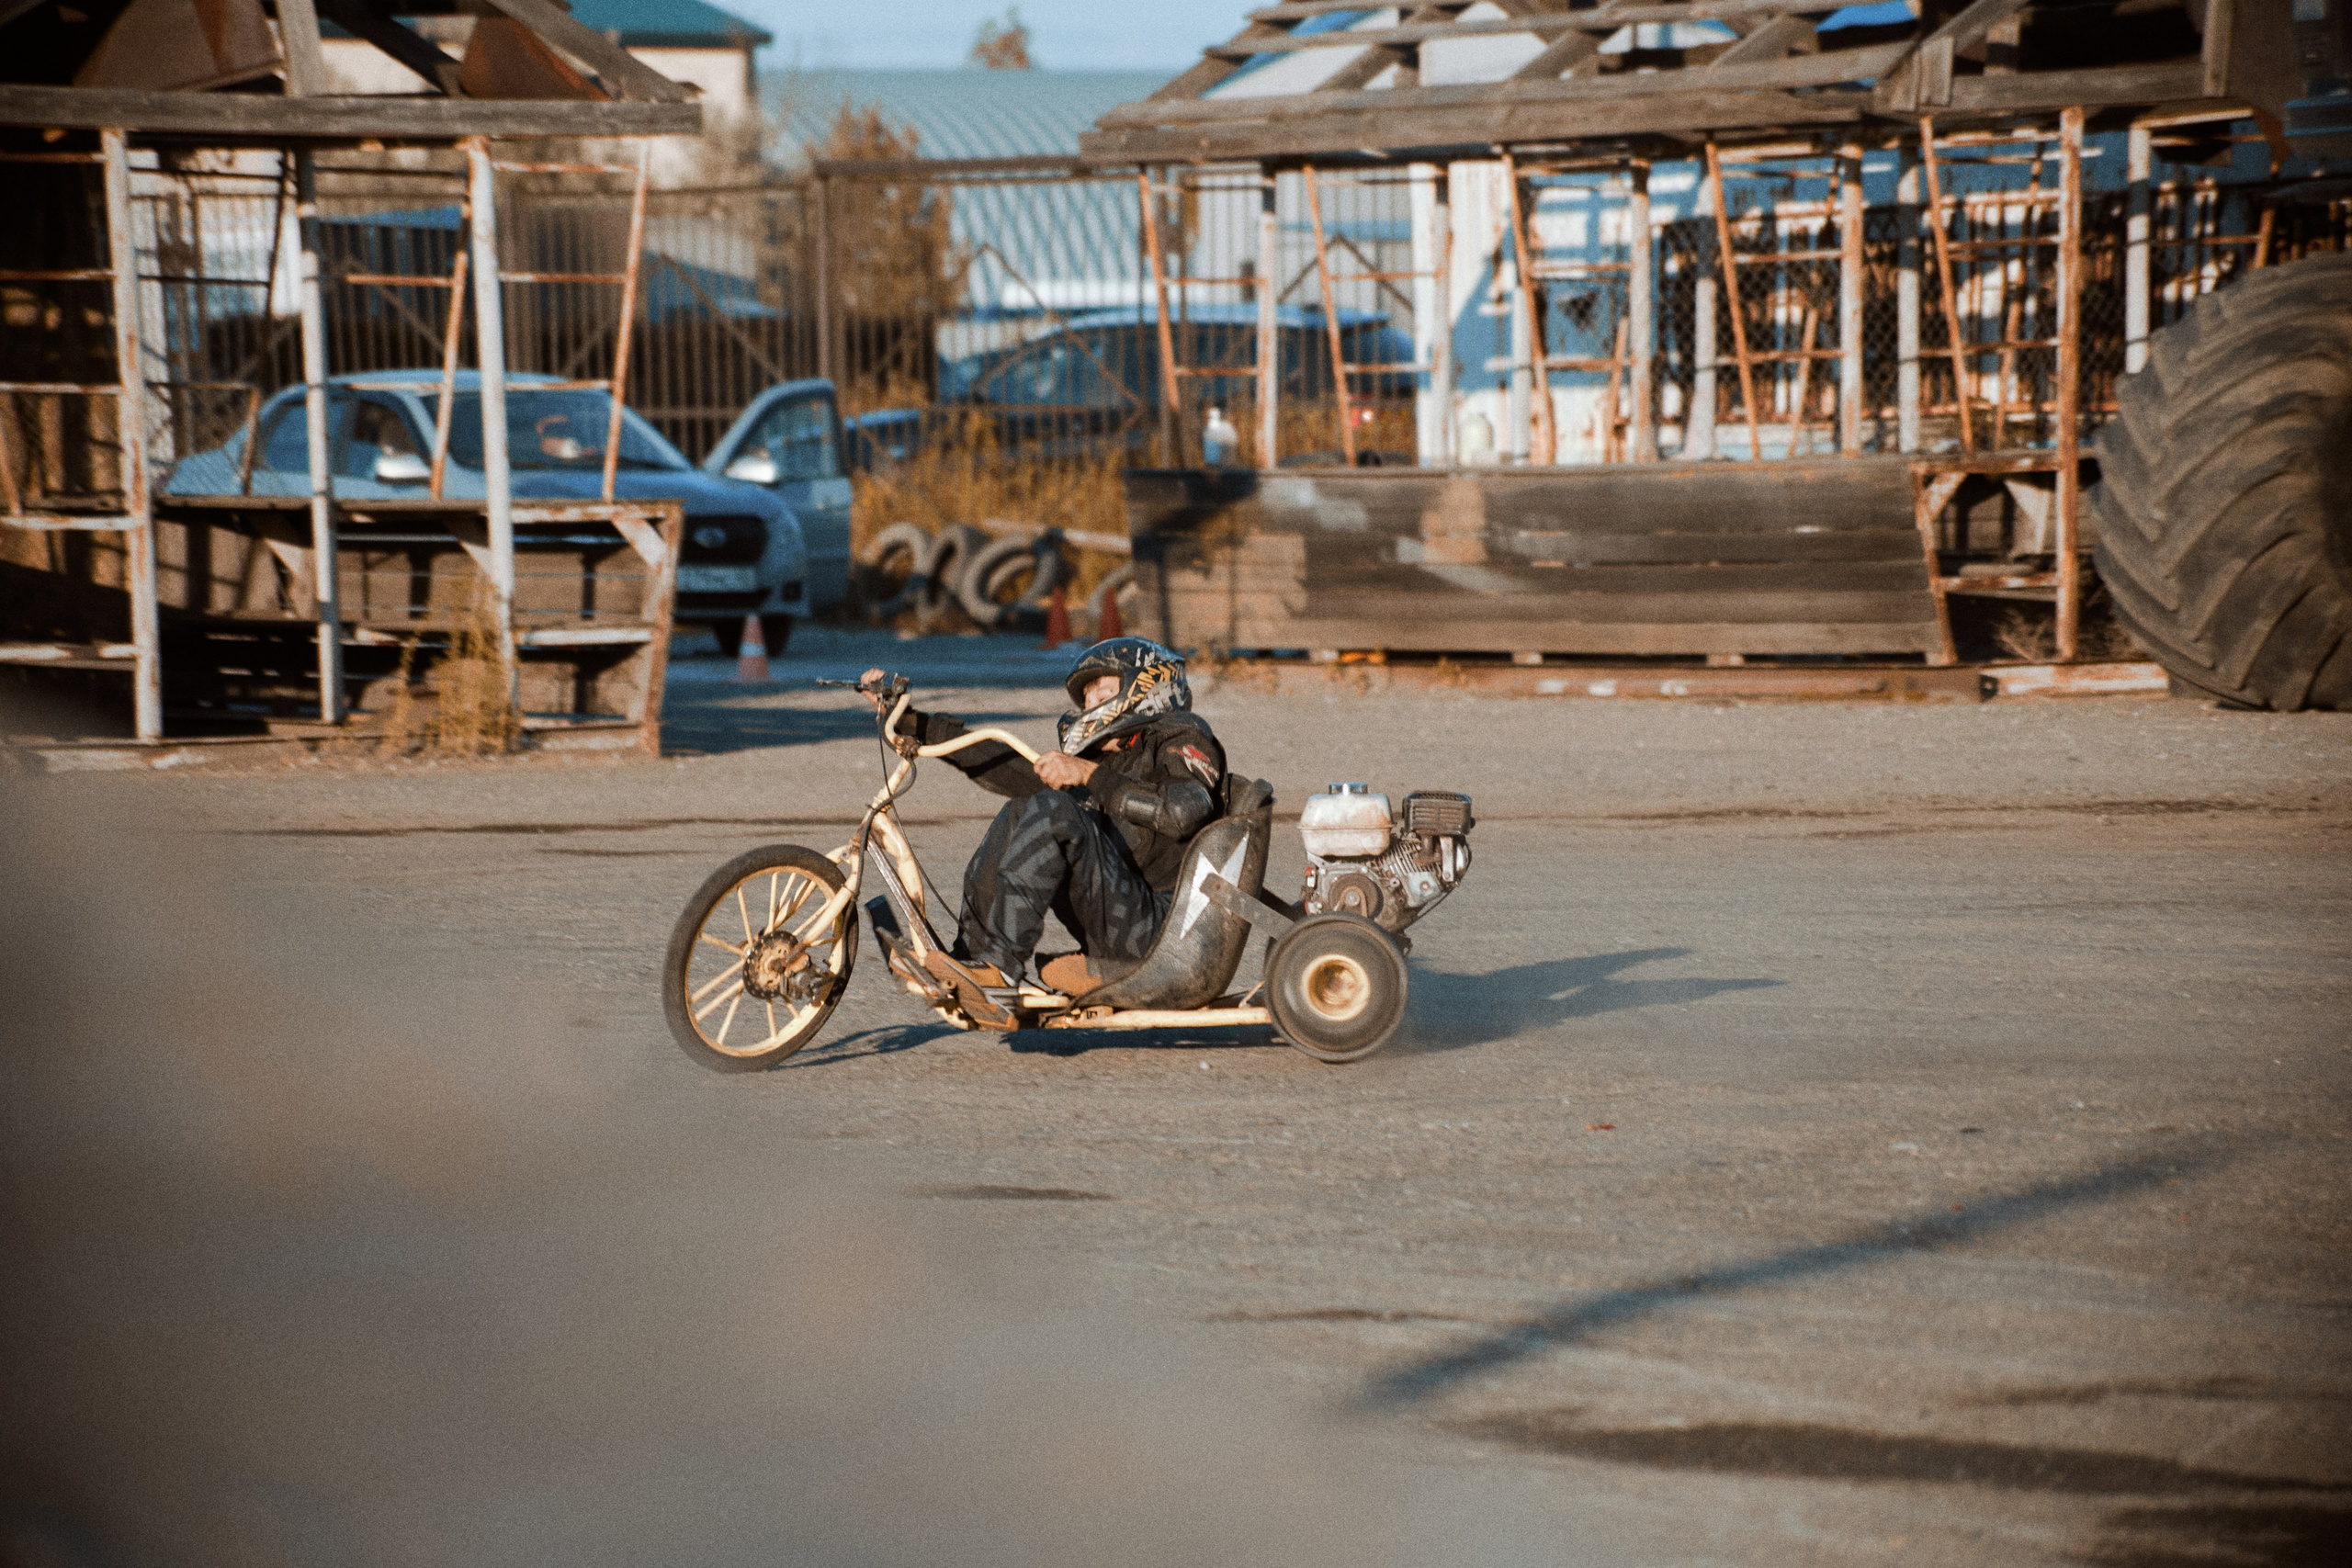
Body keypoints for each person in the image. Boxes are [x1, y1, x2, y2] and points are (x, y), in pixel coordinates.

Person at [863, 637, 1227, 1027]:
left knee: (1054, 810)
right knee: (1022, 810)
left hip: (1164, 932)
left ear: (1148, 688)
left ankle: (999, 970)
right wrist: (913, 723)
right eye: (1087, 696)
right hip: (1118, 917)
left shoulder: (1181, 735)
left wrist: (1089, 774)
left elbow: (1185, 811)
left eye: (1104, 690)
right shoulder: (1101, 755)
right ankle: (974, 961)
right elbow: (1006, 765)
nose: (1091, 704)